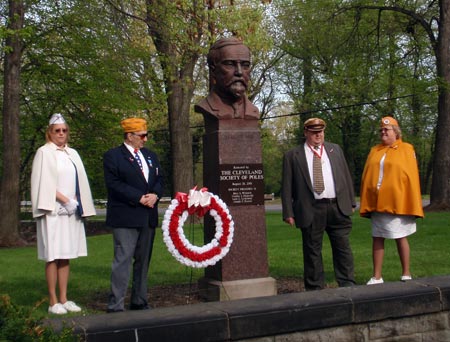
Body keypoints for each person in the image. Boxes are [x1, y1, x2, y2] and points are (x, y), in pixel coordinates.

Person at [31, 113, 96, 315]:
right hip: (53, 209)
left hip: (71, 210)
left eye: (64, 130)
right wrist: (64, 200)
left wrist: (75, 201)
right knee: (53, 254)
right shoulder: (44, 152)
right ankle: (53, 301)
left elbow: (78, 181)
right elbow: (43, 183)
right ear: (50, 133)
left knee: (66, 254)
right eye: (57, 130)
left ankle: (64, 298)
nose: (61, 134)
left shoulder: (72, 153)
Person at [281, 117, 356, 291]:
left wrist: (351, 201)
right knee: (312, 251)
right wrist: (288, 212)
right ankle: (315, 289)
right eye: (314, 132)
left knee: (343, 248)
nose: (318, 135)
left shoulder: (335, 150)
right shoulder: (293, 155)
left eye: (320, 132)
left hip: (337, 207)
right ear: (306, 132)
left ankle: (348, 285)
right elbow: (286, 185)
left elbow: (345, 175)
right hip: (311, 209)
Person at [103, 117, 163, 312]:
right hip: (126, 216)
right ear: (129, 136)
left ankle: (139, 300)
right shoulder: (113, 156)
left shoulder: (151, 156)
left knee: (143, 261)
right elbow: (114, 184)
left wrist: (155, 194)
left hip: (148, 216)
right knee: (123, 259)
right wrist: (138, 197)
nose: (145, 139)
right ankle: (116, 304)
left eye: (146, 135)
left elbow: (159, 180)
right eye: (142, 136)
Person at [360, 116, 424, 285]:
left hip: (398, 202)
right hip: (377, 202)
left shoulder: (406, 149)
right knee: (377, 236)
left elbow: (409, 176)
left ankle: (406, 273)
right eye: (381, 130)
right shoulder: (375, 150)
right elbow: (368, 175)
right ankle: (377, 276)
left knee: (400, 235)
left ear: (396, 132)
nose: (383, 132)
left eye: (386, 130)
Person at [194, 37, 260, 120]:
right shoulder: (206, 107)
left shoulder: (253, 111)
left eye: (245, 65)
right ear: (213, 69)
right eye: (229, 64)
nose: (239, 72)